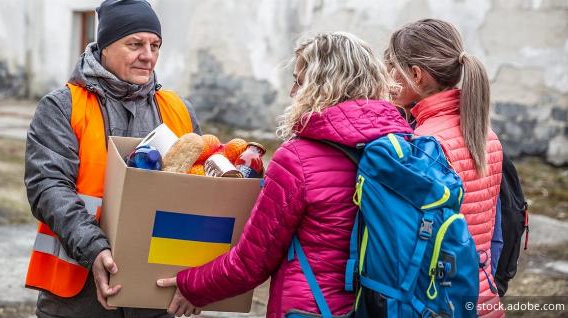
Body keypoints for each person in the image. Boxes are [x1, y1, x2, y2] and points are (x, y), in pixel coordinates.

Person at [157, 32, 413, 317]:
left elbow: (251, 263)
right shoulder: (403, 146)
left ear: (321, 85)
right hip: (383, 306)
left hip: (312, 309)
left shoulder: (297, 160)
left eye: (299, 81)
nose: (293, 92)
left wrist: (190, 285)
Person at [23, 1, 201, 317]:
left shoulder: (178, 111)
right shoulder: (63, 107)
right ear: (104, 46)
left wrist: (198, 277)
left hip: (156, 296)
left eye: (155, 45)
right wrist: (94, 249)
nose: (148, 55)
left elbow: (199, 196)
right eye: (135, 44)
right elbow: (48, 187)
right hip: (78, 297)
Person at [384, 18, 504, 317]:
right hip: (481, 295)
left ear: (415, 74)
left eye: (391, 67)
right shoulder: (486, 135)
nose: (386, 77)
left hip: (439, 300)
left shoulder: (424, 144)